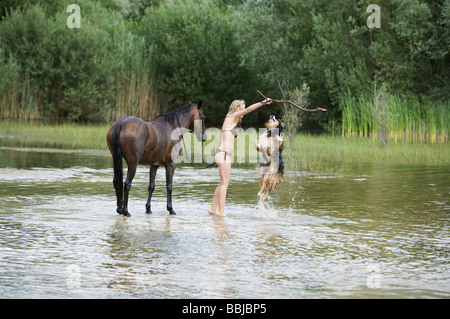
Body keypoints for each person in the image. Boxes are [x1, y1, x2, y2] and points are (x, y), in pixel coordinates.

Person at [208, 97, 273, 216]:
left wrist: (216, 155)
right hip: (223, 154)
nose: (243, 111)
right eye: (242, 108)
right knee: (224, 183)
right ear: (237, 108)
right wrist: (263, 103)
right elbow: (249, 109)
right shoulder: (231, 116)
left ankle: (213, 209)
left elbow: (221, 139)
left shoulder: (231, 121)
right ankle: (221, 212)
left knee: (222, 183)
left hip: (222, 154)